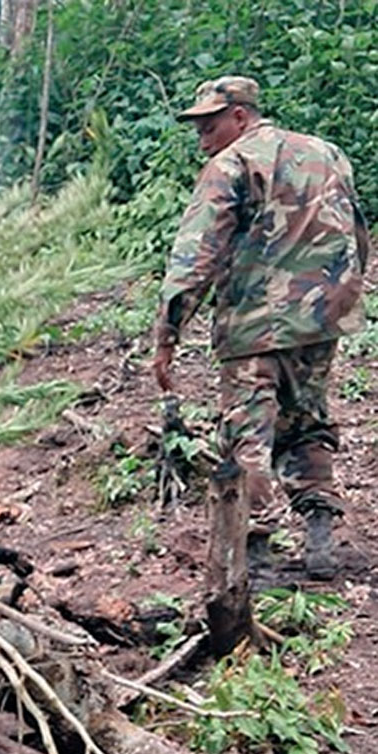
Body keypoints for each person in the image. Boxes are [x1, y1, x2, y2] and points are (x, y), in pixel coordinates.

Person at [150, 75, 370, 579]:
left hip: (257, 323)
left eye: (209, 126)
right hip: (321, 316)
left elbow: (195, 257)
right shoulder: (325, 152)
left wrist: (167, 335)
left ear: (240, 117)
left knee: (247, 432)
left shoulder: (230, 164)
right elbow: (356, 231)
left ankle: (258, 554)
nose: (202, 139)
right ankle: (319, 535)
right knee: (306, 420)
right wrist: (342, 296)